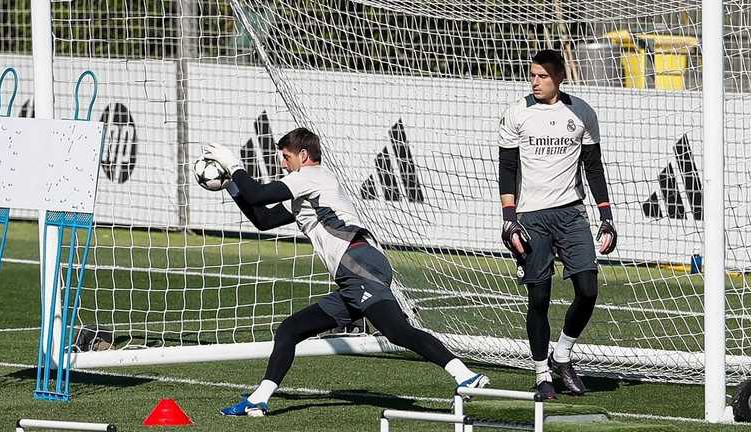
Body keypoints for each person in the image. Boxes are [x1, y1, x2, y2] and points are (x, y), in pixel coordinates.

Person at [204, 127, 489, 417]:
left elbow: (259, 195)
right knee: (290, 330)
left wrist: (234, 165)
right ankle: (259, 399)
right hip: (354, 272)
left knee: (396, 331)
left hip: (358, 263)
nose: (282, 164)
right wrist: (231, 186)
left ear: (304, 155)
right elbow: (263, 219)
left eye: (286, 157)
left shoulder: (311, 176)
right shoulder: (305, 188)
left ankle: (465, 375)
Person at [497, 50, 617, 400]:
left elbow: (593, 167)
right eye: (532, 75)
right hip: (531, 217)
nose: (535, 82)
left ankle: (562, 355)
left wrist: (606, 216)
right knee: (539, 297)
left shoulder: (582, 113)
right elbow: (507, 169)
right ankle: (541, 373)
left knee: (588, 289)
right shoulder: (517, 113)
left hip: (571, 213)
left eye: (542, 76)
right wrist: (509, 219)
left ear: (560, 77)